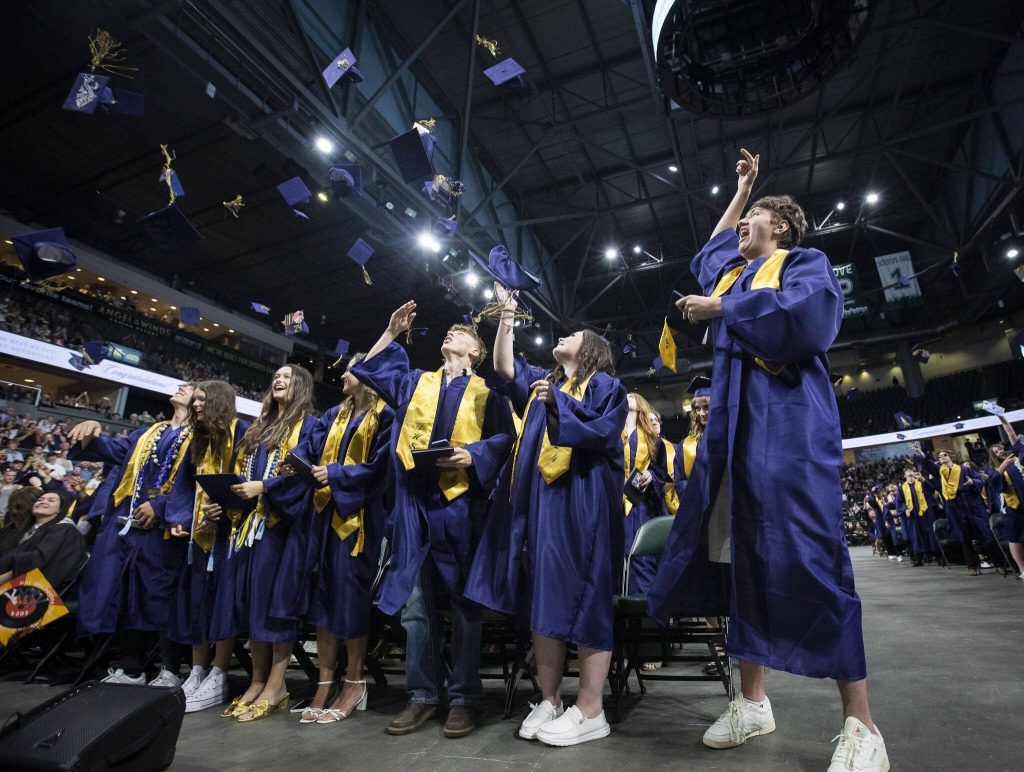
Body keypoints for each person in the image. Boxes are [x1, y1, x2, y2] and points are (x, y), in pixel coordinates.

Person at [652, 148, 887, 770]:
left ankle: (862, 725)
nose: (741, 227)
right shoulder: (733, 274)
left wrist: (724, 310)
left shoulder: (802, 262)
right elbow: (711, 255)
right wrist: (743, 188)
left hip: (787, 429)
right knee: (741, 567)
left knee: (815, 558)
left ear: (779, 227)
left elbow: (809, 324)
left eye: (753, 217)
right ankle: (753, 702)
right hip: (734, 437)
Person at [467, 284, 627, 747]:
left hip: (583, 500)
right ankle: (551, 698)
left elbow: (603, 434)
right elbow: (502, 366)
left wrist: (562, 405)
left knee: (589, 596)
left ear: (591, 349)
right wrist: (508, 313)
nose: (564, 336)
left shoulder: (605, 387)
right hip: (541, 504)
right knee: (543, 600)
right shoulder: (545, 383)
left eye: (574, 333)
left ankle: (592, 708)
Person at [352, 301, 514, 738]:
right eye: (448, 332)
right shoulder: (414, 382)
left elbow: (506, 440)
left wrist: (473, 454)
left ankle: (464, 697)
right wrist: (390, 331)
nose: (450, 334)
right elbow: (369, 371)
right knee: (417, 608)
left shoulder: (489, 393)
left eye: (460, 333)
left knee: (464, 607)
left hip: (461, 507)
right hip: (414, 507)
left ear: (475, 351)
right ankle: (422, 695)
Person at [211, 365, 317, 723]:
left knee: (277, 607)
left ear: (301, 385)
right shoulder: (258, 428)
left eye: (287, 375)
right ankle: (256, 682)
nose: (279, 379)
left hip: (283, 528)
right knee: (254, 605)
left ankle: (277, 684)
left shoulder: (311, 426)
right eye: (275, 375)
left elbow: (303, 476)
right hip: (249, 526)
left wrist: (266, 488)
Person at [292, 354, 394, 724]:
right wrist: (300, 461)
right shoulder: (333, 415)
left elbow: (381, 468)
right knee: (323, 598)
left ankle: (354, 681)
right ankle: (324, 681)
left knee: (350, 600)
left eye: (351, 368)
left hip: (360, 519)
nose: (344, 374)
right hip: (324, 515)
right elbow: (309, 448)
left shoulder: (385, 414)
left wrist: (333, 473)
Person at [69, 383, 195, 684]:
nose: (181, 388)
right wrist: (93, 430)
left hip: (166, 530)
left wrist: (162, 506)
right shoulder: (148, 434)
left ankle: (164, 666)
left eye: (189, 388)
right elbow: (115, 450)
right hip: (128, 522)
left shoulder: (202, 438)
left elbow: (194, 484)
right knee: (121, 591)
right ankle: (129, 665)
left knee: (153, 595)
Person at [163, 380, 250, 712]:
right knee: (197, 602)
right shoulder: (199, 441)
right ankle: (198, 670)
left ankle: (219, 672)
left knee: (224, 602)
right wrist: (180, 517)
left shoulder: (243, 432)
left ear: (219, 401)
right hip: (200, 535)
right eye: (195, 399)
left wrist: (225, 507)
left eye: (202, 399)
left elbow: (248, 479)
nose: (196, 405)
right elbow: (185, 486)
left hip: (232, 534)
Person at [621, 392, 667, 595]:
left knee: (643, 559)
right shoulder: (611, 433)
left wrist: (651, 474)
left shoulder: (652, 440)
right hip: (615, 505)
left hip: (640, 505)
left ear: (640, 405)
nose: (628, 396)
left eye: (633, 395)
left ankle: (648, 613)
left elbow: (661, 472)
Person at [0, 490, 87, 590]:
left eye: (51, 500)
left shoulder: (65, 531)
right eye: (40, 499)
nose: (43, 502)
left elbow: (37, 564)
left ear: (60, 509)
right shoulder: (28, 529)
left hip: (25, 593)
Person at [986, 442, 1023, 578]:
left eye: (1000, 449)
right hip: (1011, 506)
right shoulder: (993, 468)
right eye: (996, 452)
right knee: (1015, 538)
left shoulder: (1017, 460)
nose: (1000, 452)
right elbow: (995, 483)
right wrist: (1003, 466)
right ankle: (1022, 569)